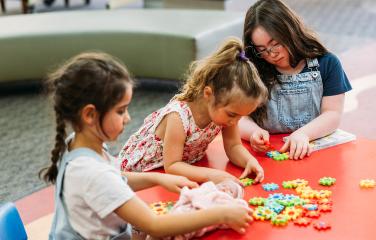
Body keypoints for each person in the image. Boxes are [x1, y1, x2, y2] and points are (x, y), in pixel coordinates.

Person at [39, 52, 253, 239]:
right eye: (121, 111)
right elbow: (155, 226)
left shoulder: (77, 145)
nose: (129, 118)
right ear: (89, 115)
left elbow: (117, 177)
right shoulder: (92, 174)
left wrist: (157, 177)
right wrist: (223, 214)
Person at [118, 37, 268, 184]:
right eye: (233, 115)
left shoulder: (226, 111)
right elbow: (172, 165)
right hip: (143, 173)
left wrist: (250, 161)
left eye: (241, 116)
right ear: (208, 94)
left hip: (180, 168)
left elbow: (233, 146)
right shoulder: (178, 117)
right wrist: (211, 175)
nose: (235, 121)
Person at [239, 0, 352, 160]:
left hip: (314, 152)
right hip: (266, 156)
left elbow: (332, 114)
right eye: (262, 50)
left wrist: (304, 134)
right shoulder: (252, 68)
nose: (271, 54)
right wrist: (252, 132)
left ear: (290, 31)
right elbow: (238, 118)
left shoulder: (327, 63)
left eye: (276, 44)